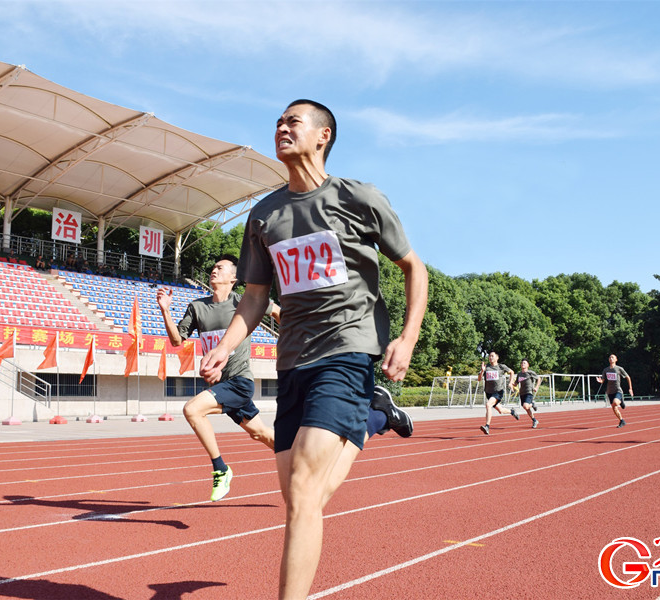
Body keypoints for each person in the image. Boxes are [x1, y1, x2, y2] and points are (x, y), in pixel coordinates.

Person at [200, 99, 428, 600]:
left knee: (304, 487)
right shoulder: (264, 215)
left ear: (323, 136)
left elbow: (414, 267)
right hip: (294, 358)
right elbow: (256, 297)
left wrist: (406, 337)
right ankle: (375, 416)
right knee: (301, 496)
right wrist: (225, 344)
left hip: (349, 348)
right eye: (278, 121)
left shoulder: (358, 197)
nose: (281, 127)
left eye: (293, 121)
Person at [158, 255, 281, 501]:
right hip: (219, 384)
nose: (213, 270)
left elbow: (278, 312)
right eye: (213, 267)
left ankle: (221, 469)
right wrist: (166, 310)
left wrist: (291, 339)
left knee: (193, 410)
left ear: (233, 278)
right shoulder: (197, 306)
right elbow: (176, 340)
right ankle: (299, 459)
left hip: (240, 382)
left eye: (220, 268)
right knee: (262, 434)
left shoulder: (245, 301)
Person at [478, 351, 518, 435]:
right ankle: (512, 412)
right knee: (501, 410)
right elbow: (479, 379)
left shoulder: (501, 366)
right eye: (489, 356)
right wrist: (482, 371)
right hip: (489, 392)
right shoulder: (486, 367)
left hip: (498, 391)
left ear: (497, 357)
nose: (490, 357)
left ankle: (487, 426)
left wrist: (510, 383)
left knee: (488, 405)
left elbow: (512, 372)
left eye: (492, 356)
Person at [596, 354, 634, 428]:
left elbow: (628, 377)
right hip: (610, 392)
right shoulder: (606, 370)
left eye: (612, 357)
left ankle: (621, 401)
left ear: (616, 359)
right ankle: (622, 420)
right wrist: (600, 381)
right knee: (614, 407)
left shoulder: (619, 369)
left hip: (618, 390)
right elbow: (603, 380)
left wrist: (630, 388)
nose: (611, 358)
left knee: (615, 402)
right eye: (610, 357)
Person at [512, 359, 541, 429]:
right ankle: (534, 420)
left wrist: (536, 387)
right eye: (522, 363)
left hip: (529, 392)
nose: (523, 364)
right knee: (527, 409)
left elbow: (539, 378)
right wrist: (511, 384)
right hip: (522, 393)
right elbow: (516, 383)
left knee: (526, 406)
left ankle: (532, 404)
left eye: (524, 363)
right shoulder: (519, 374)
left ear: (528, 365)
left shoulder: (530, 372)